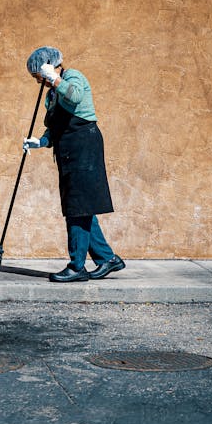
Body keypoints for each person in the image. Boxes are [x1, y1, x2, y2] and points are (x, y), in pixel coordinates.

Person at [22, 46, 125, 282]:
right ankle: (108, 259)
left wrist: (54, 78)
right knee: (82, 207)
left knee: (77, 207)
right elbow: (56, 126)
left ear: (47, 67)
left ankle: (77, 266)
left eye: (37, 76)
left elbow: (76, 96)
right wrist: (41, 141)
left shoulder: (72, 77)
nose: (39, 82)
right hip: (68, 150)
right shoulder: (52, 94)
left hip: (84, 147)